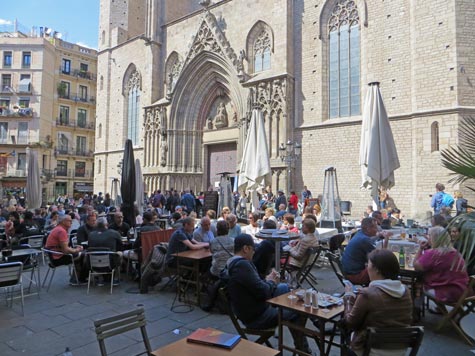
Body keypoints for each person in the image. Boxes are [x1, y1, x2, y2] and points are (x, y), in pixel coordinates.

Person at [224, 234, 310, 353]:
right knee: (298, 310)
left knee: (284, 287)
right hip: (258, 317)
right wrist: (270, 281)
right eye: (253, 249)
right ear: (246, 249)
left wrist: (268, 280)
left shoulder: (234, 264)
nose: (254, 252)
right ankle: (303, 350)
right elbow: (263, 292)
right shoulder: (242, 265)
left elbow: (256, 286)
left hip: (254, 307)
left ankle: (302, 346)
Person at [342, 249, 413, 355]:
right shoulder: (405, 291)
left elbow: (350, 323)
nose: (366, 268)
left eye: (368, 265)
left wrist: (348, 297)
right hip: (400, 349)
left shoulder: (368, 294)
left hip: (371, 350)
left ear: (377, 270)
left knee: (344, 329)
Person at [414, 226, 469, 303]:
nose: (428, 238)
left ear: (434, 238)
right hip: (462, 291)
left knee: (419, 282)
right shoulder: (455, 252)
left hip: (445, 293)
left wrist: (420, 249)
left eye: (429, 236)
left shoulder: (433, 253)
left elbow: (416, 266)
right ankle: (440, 309)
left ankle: (416, 307)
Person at [342, 218, 389, 285]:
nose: (377, 230)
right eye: (375, 227)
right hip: (355, 275)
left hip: (349, 271)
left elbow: (371, 240)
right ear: (368, 229)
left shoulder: (359, 234)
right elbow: (380, 258)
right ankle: (385, 290)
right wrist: (386, 240)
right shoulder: (364, 239)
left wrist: (379, 236)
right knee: (384, 269)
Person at [44, 214, 87, 285]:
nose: (71, 222)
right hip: (57, 258)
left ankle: (78, 277)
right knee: (83, 255)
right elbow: (65, 250)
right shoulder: (61, 231)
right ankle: (78, 279)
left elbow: (63, 247)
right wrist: (76, 250)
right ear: (63, 222)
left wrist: (74, 249)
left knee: (81, 254)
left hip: (53, 256)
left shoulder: (58, 229)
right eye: (70, 221)